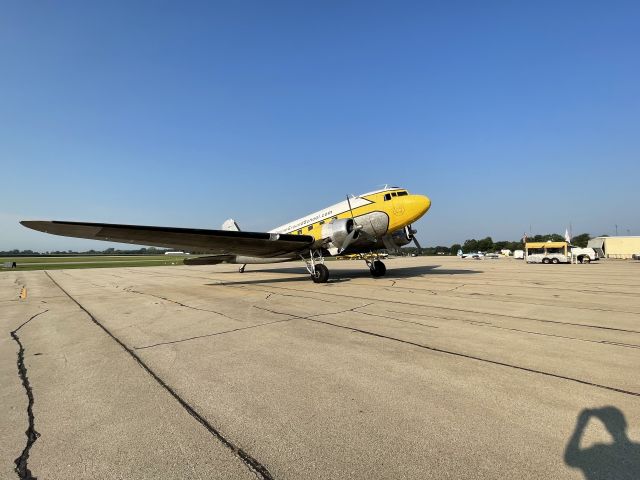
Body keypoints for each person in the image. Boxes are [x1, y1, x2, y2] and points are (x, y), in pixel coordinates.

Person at [564, 407, 640, 479]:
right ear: (624, 425)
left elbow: (570, 459)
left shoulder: (598, 450)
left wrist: (580, 426)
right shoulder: (636, 448)